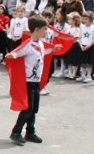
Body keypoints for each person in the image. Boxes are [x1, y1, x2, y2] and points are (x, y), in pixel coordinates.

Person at [5, 15, 62, 145]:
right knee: (27, 108)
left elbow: (43, 52)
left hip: (36, 81)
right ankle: (16, 132)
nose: (46, 31)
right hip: (28, 81)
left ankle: (30, 132)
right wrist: (12, 55)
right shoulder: (28, 45)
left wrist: (52, 49)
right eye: (44, 29)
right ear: (36, 30)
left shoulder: (40, 44)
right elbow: (18, 52)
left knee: (34, 108)